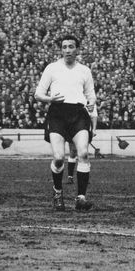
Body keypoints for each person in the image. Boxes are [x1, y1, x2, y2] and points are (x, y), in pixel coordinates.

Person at [34, 35, 97, 211]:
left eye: (71, 46)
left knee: (83, 153)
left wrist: (91, 102)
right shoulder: (52, 68)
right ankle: (57, 192)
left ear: (77, 49)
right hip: (57, 113)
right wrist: (50, 98)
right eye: (64, 47)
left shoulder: (84, 70)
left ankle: (81, 198)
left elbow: (91, 94)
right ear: (61, 50)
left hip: (78, 113)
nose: (67, 50)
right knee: (59, 157)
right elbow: (38, 94)